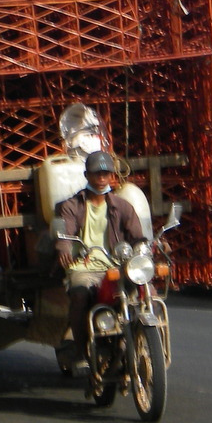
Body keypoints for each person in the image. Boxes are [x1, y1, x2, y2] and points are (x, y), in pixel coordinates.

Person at [54, 150, 146, 368]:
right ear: (87, 175)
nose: (102, 177)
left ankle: (144, 340)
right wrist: (64, 246)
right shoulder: (72, 205)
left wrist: (145, 249)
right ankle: (80, 349)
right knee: (79, 294)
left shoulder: (122, 206)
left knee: (144, 291)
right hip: (84, 266)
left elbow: (137, 236)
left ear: (112, 176)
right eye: (97, 173)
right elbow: (64, 230)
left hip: (116, 266)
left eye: (106, 173)